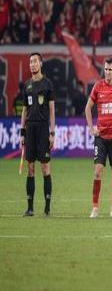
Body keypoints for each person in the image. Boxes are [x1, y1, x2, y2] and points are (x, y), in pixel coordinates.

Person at [85, 58, 112, 218]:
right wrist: (91, 128)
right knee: (98, 172)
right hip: (101, 137)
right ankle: (95, 208)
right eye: (106, 69)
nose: (108, 72)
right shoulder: (98, 86)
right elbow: (88, 107)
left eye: (110, 69)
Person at [19, 52, 55, 217]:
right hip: (30, 129)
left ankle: (47, 208)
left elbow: (52, 110)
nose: (32, 64)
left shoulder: (48, 84)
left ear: (41, 63)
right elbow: (24, 110)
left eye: (35, 61)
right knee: (30, 168)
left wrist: (52, 133)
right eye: (30, 62)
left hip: (43, 129)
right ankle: (30, 208)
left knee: (45, 168)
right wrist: (22, 132)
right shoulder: (27, 85)